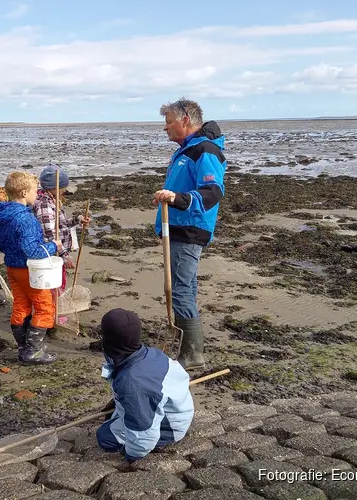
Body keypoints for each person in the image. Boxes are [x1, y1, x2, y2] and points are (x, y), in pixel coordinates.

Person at [152, 98, 227, 370]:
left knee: (180, 289)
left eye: (169, 122)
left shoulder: (204, 150)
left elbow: (213, 191)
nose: (165, 128)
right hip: (178, 228)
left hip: (189, 229)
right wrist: (170, 198)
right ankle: (188, 348)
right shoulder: (186, 150)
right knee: (186, 288)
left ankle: (192, 354)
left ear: (185, 120)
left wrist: (179, 199)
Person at [95, 308, 194, 462]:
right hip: (179, 407)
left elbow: (144, 434)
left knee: (104, 436)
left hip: (169, 426)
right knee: (115, 415)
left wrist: (131, 456)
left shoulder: (131, 383)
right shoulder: (151, 353)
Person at [0, 172, 62, 364]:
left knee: (21, 305)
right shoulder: (26, 219)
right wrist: (53, 246)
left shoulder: (3, 216)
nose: (37, 195)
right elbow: (32, 250)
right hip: (30, 270)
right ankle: (33, 351)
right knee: (44, 307)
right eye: (35, 192)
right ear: (24, 193)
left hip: (12, 268)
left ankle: (23, 347)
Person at [33, 164, 90, 323]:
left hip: (57, 252)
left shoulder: (54, 200)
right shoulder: (44, 204)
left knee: (60, 281)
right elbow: (49, 233)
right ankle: (52, 313)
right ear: (53, 187)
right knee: (53, 282)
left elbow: (62, 224)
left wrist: (78, 220)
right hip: (50, 254)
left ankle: (54, 309)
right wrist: (64, 255)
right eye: (63, 187)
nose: (65, 190)